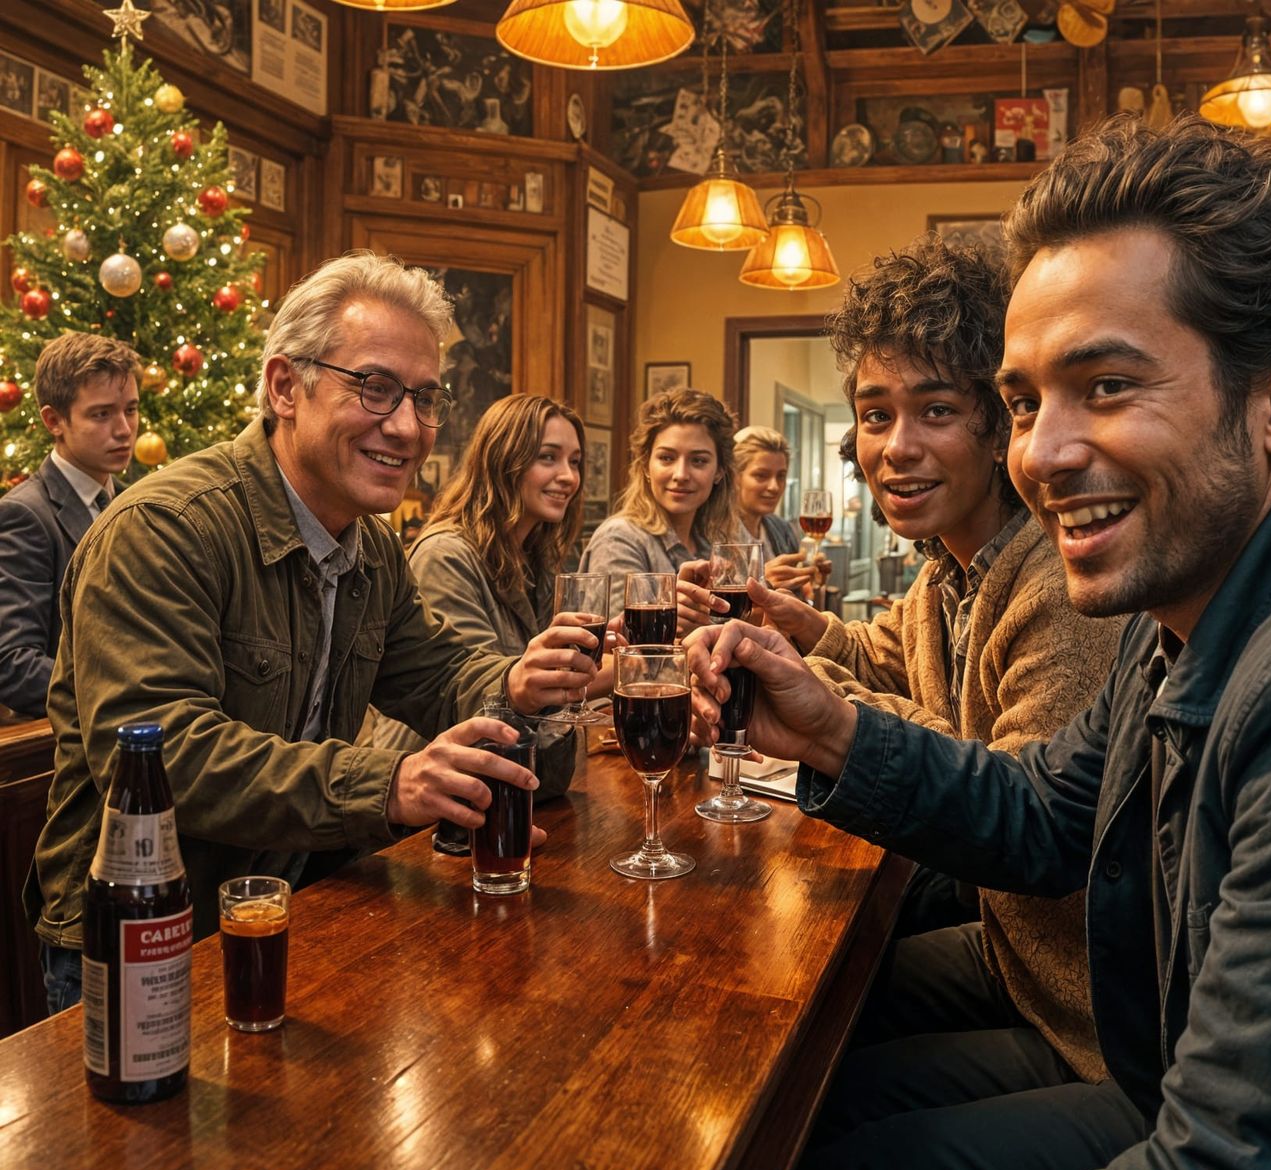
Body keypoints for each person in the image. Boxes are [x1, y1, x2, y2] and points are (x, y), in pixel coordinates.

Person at [687, 115, 1271, 1170]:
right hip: (1153, 1062)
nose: (1043, 453)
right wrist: (831, 729)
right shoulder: (1197, 611)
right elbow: (1040, 814)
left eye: (1107, 387)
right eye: (1024, 402)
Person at [27, 251, 594, 1012]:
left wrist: (515, 683)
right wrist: (388, 784)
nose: (407, 426)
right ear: (285, 387)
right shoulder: (165, 529)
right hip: (152, 934)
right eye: (376, 388)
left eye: (425, 398)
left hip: (295, 906)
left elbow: (432, 675)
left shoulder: (372, 548)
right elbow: (167, 757)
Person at [744, 233, 1125, 1140]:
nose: (897, 448)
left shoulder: (1058, 582)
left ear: (999, 428)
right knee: (781, 1015)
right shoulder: (946, 572)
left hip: (1082, 1002)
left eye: (936, 411)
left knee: (807, 1096)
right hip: (1018, 947)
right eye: (875, 417)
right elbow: (899, 657)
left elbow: (1014, 807)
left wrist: (825, 707)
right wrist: (809, 633)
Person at [367, 393, 599, 804]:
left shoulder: (539, 560)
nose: (568, 476)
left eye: (575, 462)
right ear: (503, 461)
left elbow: (545, 738)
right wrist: (639, 671)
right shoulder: (446, 556)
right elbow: (485, 713)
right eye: (548, 457)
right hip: (427, 812)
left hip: (506, 795)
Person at [0, 332, 139, 717]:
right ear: (54, 421)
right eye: (101, 414)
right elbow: (12, 663)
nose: (125, 429)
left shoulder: (134, 502)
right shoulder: (25, 515)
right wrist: (129, 692)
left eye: (130, 409)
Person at [579, 386, 738, 624]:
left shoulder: (713, 539)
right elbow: (612, 647)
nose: (681, 474)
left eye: (698, 460)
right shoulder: (619, 539)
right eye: (667, 458)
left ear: (719, 471)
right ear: (645, 465)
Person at [729, 424, 828, 595]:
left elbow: (799, 597)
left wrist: (811, 580)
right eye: (761, 475)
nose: (774, 487)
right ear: (735, 476)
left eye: (781, 476)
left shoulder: (782, 529)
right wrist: (761, 582)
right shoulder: (712, 535)